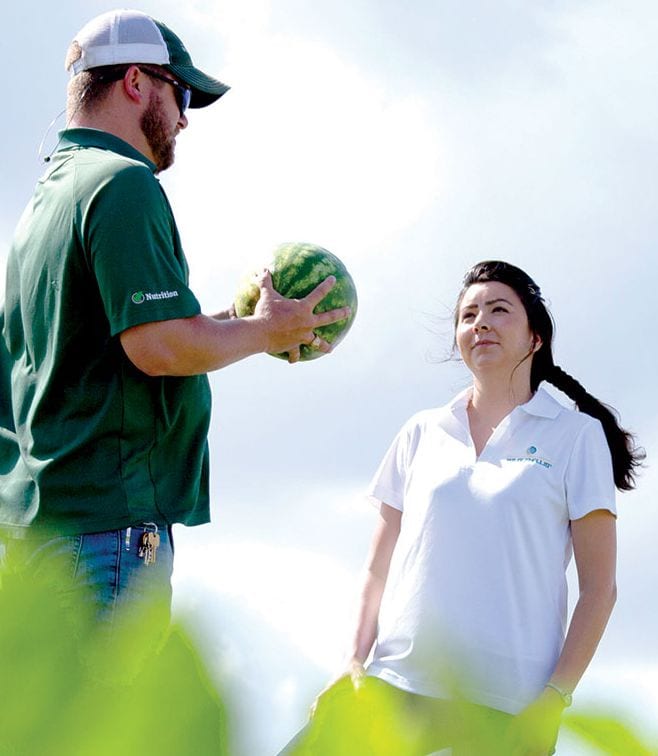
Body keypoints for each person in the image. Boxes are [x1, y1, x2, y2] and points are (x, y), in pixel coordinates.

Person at [0, 9, 350, 628]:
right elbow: (158, 348)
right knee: (110, 727)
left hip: (41, 534)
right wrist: (269, 331)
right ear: (136, 82)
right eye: (180, 92)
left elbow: (116, 342)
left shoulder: (50, 195)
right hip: (104, 538)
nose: (186, 117)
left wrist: (238, 321)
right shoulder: (123, 183)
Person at [281, 260, 643, 755]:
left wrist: (555, 698)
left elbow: (600, 589)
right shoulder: (421, 432)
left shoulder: (576, 437)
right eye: (469, 315)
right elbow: (376, 568)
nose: (482, 324)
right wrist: (353, 660)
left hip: (507, 707)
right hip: (393, 683)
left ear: (536, 337)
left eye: (499, 310)